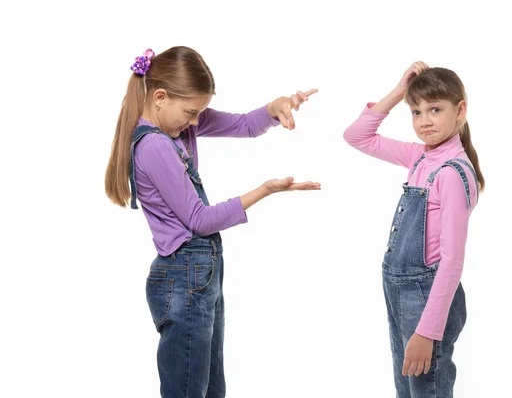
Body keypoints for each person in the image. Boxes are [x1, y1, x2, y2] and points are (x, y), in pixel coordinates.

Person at [105, 46, 320, 398]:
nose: (195, 122)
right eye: (191, 113)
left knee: (210, 389)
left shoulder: (176, 124)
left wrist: (275, 107)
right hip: (183, 276)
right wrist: (264, 190)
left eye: (199, 112)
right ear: (159, 98)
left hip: (200, 274)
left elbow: (245, 125)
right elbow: (200, 221)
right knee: (189, 390)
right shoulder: (154, 147)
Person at [343, 61, 484, 397]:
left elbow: (451, 262)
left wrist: (427, 331)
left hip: (425, 297)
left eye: (435, 109)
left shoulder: (450, 173)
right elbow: (356, 136)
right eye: (416, 111)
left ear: (460, 110)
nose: (424, 121)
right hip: (399, 290)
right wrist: (398, 92)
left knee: (426, 389)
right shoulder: (420, 157)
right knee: (408, 389)